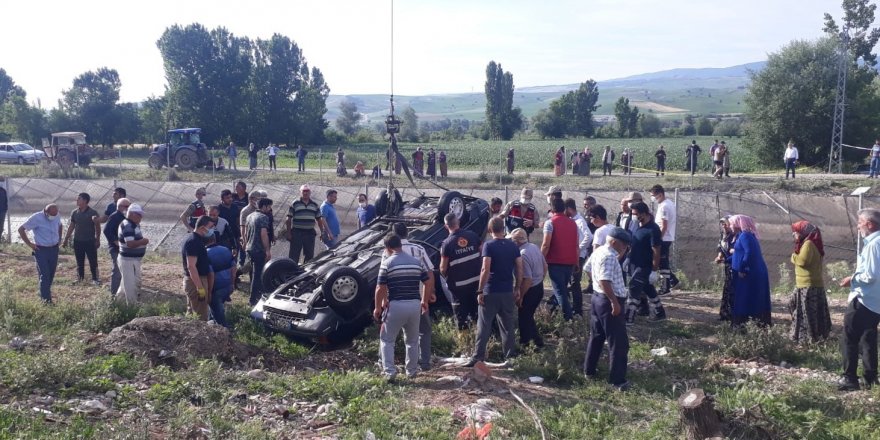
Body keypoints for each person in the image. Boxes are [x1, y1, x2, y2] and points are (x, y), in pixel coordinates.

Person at [463, 216, 523, 367]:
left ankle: (478, 357)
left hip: (490, 291)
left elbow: (485, 269)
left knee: (484, 325)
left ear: (490, 230)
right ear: (503, 229)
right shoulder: (513, 246)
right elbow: (519, 268)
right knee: (507, 326)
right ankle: (510, 357)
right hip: (507, 291)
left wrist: (480, 290)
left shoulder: (488, 246)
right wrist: (517, 288)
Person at [373, 233, 430, 381]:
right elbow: (427, 282)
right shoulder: (416, 262)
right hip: (414, 305)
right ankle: (411, 372)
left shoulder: (387, 263)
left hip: (396, 305)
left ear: (388, 248)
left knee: (387, 340)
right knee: (412, 340)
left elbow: (380, 287)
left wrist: (378, 307)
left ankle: (390, 372)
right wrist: (424, 300)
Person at [583, 227, 632, 391]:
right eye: (624, 245)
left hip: (598, 299)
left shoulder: (598, 251)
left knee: (596, 336)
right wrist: (614, 302)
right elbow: (605, 280)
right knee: (618, 342)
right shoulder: (610, 256)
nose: (625, 248)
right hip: (609, 301)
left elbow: (588, 269)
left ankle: (589, 371)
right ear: (614, 242)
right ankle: (617, 381)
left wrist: (595, 283)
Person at [838, 208, 880, 391]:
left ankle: (849, 379)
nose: (858, 226)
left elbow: (870, 275)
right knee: (868, 338)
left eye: (860, 222)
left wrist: (852, 279)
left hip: (864, 299)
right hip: (876, 301)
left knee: (849, 338)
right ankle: (870, 378)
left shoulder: (873, 245)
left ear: (869, 224)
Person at [388, 222, 436, 371]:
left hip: (395, 299)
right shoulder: (419, 249)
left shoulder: (388, 251)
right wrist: (429, 294)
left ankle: (390, 366)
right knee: (422, 331)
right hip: (418, 299)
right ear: (407, 233)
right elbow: (429, 274)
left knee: (390, 336)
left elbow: (383, 278)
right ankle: (424, 363)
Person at [789, 220, 832, 343]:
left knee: (808, 313)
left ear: (803, 232)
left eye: (796, 232)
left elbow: (802, 261)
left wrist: (793, 256)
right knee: (800, 309)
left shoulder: (808, 244)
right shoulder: (810, 243)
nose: (794, 235)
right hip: (807, 284)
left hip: (808, 285)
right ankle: (806, 335)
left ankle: (810, 338)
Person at [440, 213, 482, 334]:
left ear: (446, 226)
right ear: (458, 222)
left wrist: (448, 277)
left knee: (461, 317)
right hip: (476, 283)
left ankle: (464, 343)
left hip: (458, 287)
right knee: (477, 313)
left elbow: (443, 268)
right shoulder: (473, 236)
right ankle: (480, 338)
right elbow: (483, 254)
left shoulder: (446, 244)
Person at [625, 202, 666, 324]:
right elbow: (635, 245)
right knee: (648, 288)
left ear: (644, 214)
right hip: (635, 264)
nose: (633, 216)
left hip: (644, 266)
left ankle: (629, 318)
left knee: (633, 288)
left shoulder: (653, 230)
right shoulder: (639, 226)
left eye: (635, 214)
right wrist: (628, 257)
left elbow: (656, 251)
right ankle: (660, 312)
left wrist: (653, 271)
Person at [727, 214, 772, 327]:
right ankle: (752, 324)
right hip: (750, 272)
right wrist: (726, 260)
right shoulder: (745, 236)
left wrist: (741, 268)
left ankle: (746, 324)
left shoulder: (745, 236)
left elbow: (749, 253)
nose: (730, 226)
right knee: (749, 298)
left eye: (732, 223)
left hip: (748, 273)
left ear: (738, 224)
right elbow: (740, 254)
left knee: (746, 298)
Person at [541, 198, 579, 321]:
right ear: (564, 208)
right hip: (569, 261)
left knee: (560, 292)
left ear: (552, 209)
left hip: (555, 261)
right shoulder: (573, 223)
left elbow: (546, 244)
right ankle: (556, 314)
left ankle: (568, 319)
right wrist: (577, 261)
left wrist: (541, 259)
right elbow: (576, 244)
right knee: (562, 289)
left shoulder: (550, 222)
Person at [19, 204, 63, 304]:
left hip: (54, 249)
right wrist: (30, 244)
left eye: (55, 214)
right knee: (45, 274)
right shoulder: (36, 218)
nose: (53, 217)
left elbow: (60, 225)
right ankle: (46, 301)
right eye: (51, 215)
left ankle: (43, 293)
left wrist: (59, 239)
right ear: (45, 212)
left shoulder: (56, 215)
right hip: (41, 250)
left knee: (51, 274)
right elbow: (21, 229)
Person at [510, 228, 546, 348]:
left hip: (530, 290)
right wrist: (540, 279)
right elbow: (545, 266)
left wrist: (521, 295)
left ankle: (526, 344)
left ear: (516, 242)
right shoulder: (534, 247)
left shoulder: (522, 254)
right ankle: (537, 342)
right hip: (538, 286)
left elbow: (527, 279)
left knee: (524, 318)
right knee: (529, 316)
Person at [182, 216, 216, 320]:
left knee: (192, 314)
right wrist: (200, 287)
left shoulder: (198, 240)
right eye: (210, 227)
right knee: (200, 317)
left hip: (197, 280)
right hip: (196, 282)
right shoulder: (193, 242)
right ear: (202, 227)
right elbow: (191, 266)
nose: (212, 230)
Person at [285, 184, 330, 264]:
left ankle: (305, 273)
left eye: (307, 191)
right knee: (294, 254)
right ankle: (291, 272)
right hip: (296, 233)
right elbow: (288, 219)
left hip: (309, 233)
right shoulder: (295, 203)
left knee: (309, 255)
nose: (305, 193)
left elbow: (319, 220)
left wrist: (322, 232)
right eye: (303, 191)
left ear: (310, 193)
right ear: (300, 192)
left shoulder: (315, 205)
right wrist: (288, 233)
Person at [63, 192, 101, 285]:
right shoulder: (75, 212)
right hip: (78, 241)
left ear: (85, 201)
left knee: (93, 261)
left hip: (90, 241)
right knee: (79, 261)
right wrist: (66, 239)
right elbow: (72, 226)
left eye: (79, 199)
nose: (77, 200)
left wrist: (98, 239)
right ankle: (80, 278)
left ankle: (95, 279)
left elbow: (98, 227)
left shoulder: (93, 213)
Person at [650, 185, 680, 294]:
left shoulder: (664, 207)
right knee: (663, 261)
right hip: (667, 237)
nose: (653, 198)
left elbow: (664, 225)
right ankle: (672, 280)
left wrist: (659, 238)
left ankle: (665, 287)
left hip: (664, 237)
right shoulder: (668, 203)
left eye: (654, 196)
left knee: (662, 262)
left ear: (660, 194)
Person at [116, 203, 148, 304]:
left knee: (125, 284)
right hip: (128, 260)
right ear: (132, 214)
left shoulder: (133, 224)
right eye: (139, 215)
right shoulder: (128, 225)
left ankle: (117, 304)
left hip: (131, 260)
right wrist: (143, 242)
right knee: (131, 285)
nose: (141, 217)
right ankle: (132, 306)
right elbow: (130, 243)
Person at [567, 198, 592, 317]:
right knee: (571, 282)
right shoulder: (572, 220)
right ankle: (573, 307)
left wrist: (578, 248)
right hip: (574, 255)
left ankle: (578, 310)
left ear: (569, 209)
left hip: (578, 256)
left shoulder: (580, 221)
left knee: (575, 282)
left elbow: (589, 236)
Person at [246, 198, 273, 305]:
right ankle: (252, 300)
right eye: (269, 206)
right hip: (258, 249)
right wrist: (267, 250)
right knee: (258, 275)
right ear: (264, 206)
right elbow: (263, 234)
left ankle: (257, 295)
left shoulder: (250, 216)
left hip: (250, 247)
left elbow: (246, 232)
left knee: (253, 274)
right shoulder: (263, 217)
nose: (270, 209)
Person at [206, 233, 235, 328]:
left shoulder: (206, 254)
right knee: (216, 310)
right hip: (227, 286)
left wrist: (209, 292)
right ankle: (211, 324)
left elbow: (211, 274)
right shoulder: (226, 250)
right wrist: (232, 283)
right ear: (214, 239)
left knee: (220, 319)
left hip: (216, 288)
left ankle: (226, 334)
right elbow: (233, 268)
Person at [104, 198, 130, 297]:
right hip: (115, 249)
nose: (128, 208)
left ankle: (121, 292)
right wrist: (115, 241)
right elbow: (106, 230)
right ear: (120, 206)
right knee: (117, 271)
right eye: (126, 206)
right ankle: (114, 294)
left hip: (122, 248)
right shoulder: (115, 216)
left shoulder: (123, 217)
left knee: (122, 271)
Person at [714, 217, 735, 321]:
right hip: (727, 264)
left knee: (731, 288)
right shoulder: (723, 235)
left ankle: (732, 315)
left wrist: (724, 259)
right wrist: (719, 257)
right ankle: (724, 314)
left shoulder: (734, 236)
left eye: (726, 223)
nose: (724, 226)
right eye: (722, 224)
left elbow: (734, 251)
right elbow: (721, 249)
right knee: (727, 288)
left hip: (733, 264)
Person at [0, 176, 6, 242]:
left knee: (1, 228)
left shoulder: (3, 191)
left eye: (2, 181)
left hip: (2, 212)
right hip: (2, 212)